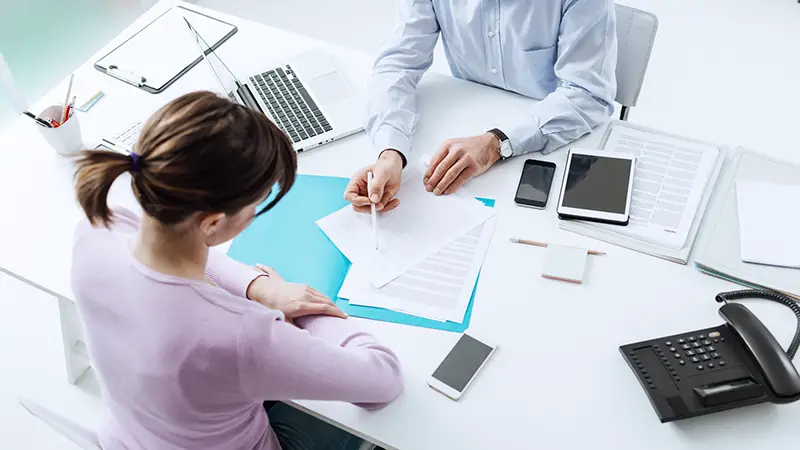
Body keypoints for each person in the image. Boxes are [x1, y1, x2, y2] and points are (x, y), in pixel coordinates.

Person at [70, 91, 403, 450]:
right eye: (256, 204)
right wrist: (311, 312)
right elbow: (382, 381)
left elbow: (171, 248)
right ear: (213, 223)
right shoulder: (242, 336)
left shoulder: (97, 230)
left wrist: (258, 287)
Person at [345, 0, 618, 212]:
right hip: (467, 125)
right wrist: (391, 152)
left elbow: (588, 94)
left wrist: (495, 144)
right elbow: (397, 65)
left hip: (551, 142)